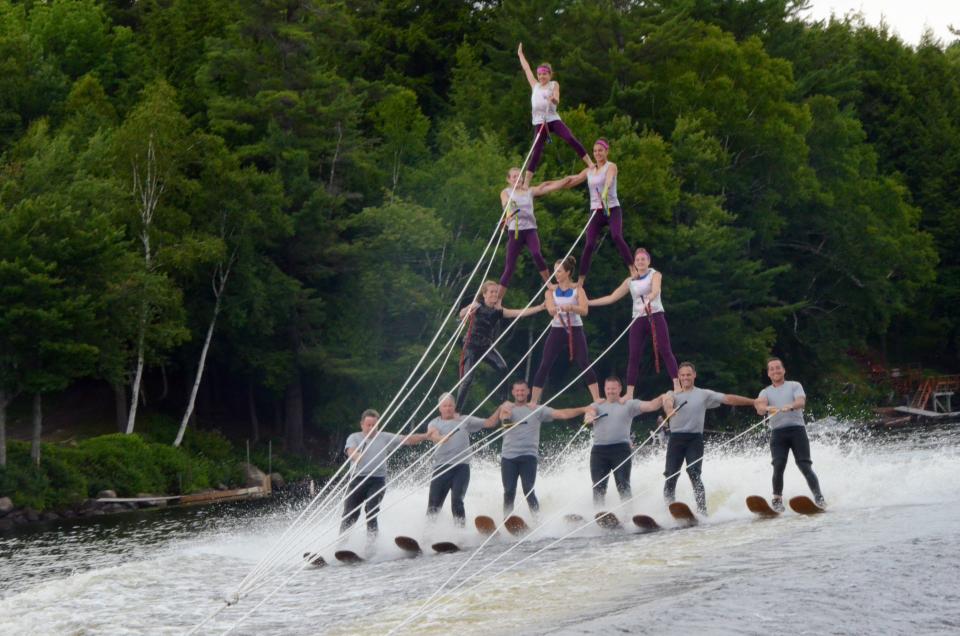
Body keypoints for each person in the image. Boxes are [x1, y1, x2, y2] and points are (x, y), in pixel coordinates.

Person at [661, 362, 756, 515]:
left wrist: (753, 402)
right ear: (678, 377)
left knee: (694, 473)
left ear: (694, 375)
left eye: (688, 374)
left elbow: (728, 399)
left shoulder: (703, 394)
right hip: (676, 439)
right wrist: (670, 409)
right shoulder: (672, 394)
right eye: (683, 375)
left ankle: (702, 512)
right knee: (671, 475)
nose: (685, 377)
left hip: (694, 439)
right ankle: (668, 511)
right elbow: (667, 402)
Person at [588, 247, 680, 394]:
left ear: (648, 261)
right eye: (637, 260)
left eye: (643, 259)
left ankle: (677, 384)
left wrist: (650, 297)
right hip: (638, 318)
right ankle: (630, 392)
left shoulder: (655, 274)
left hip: (655, 314)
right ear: (634, 263)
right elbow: (612, 297)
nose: (640, 262)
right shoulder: (629, 281)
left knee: (665, 349)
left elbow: (656, 289)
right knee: (634, 355)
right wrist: (588, 303)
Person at [497, 379, 595, 516]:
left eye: (522, 390)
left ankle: (537, 520)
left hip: (528, 456)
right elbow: (493, 421)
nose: (520, 393)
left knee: (528, 490)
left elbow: (562, 413)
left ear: (528, 391)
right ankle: (507, 520)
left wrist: (583, 409)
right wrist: (504, 414)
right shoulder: (506, 408)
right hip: (508, 457)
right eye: (517, 390)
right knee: (509, 491)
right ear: (513, 392)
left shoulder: (537, 410)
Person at [457, 280, 545, 412]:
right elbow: (462, 314)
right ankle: (457, 410)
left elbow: (520, 312)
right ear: (485, 294)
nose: (494, 294)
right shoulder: (477, 306)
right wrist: (469, 307)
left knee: (503, 368)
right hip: (471, 346)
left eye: (496, 292)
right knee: (468, 379)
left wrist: (540, 307)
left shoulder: (498, 311)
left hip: (486, 346)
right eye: (491, 292)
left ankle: (504, 403)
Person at [342, 409, 431, 537]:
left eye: (375, 425)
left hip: (377, 481)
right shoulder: (354, 437)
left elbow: (407, 439)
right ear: (362, 424)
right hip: (357, 479)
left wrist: (426, 436)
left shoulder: (384, 437)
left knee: (371, 511)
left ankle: (372, 546)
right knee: (350, 514)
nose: (372, 428)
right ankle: (341, 546)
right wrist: (356, 456)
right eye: (369, 425)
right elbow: (351, 450)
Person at [517, 43, 593, 187]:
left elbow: (557, 98)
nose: (541, 76)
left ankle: (590, 163)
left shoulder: (554, 85)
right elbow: (526, 68)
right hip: (539, 122)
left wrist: (554, 99)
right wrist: (520, 54)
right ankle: (526, 183)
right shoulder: (535, 85)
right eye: (539, 74)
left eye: (544, 74)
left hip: (552, 119)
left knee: (570, 138)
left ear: (550, 74)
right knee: (536, 152)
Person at [754, 357, 825, 512]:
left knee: (804, 465)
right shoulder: (765, 392)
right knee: (778, 465)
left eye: (778, 367)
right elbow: (760, 409)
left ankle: (819, 498)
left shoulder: (794, 385)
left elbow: (801, 402)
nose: (775, 371)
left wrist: (791, 406)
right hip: (778, 434)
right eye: (771, 369)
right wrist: (766, 408)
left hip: (797, 431)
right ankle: (777, 500)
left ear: (783, 370)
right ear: (768, 373)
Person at [531, 256, 600, 406]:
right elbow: (549, 309)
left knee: (583, 361)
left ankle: (597, 398)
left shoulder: (578, 290)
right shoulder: (550, 292)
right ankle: (533, 401)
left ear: (568, 272)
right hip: (557, 329)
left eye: (559, 271)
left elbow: (585, 310)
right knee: (545, 363)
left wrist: (572, 307)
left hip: (574, 328)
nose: (556, 274)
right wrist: (553, 309)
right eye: (555, 271)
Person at [562, 138, 633, 286]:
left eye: (600, 150)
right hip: (596, 211)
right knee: (589, 244)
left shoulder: (611, 166)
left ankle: (632, 268)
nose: (597, 153)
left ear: (607, 151)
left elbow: (609, 179)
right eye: (595, 151)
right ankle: (580, 280)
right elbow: (574, 181)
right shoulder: (590, 170)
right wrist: (560, 184)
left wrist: (606, 190)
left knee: (616, 236)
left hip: (611, 208)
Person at [425, 393, 502, 526]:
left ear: (454, 406)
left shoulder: (465, 420)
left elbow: (490, 423)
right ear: (439, 408)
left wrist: (501, 408)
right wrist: (440, 438)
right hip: (441, 468)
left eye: (450, 405)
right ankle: (427, 534)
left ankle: (460, 533)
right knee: (433, 505)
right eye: (445, 406)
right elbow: (433, 434)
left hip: (461, 468)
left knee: (457, 502)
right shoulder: (434, 422)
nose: (448, 408)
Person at [497, 167, 574, 298]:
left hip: (530, 230)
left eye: (519, 176)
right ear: (508, 179)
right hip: (515, 231)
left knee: (536, 253)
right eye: (514, 176)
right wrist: (508, 209)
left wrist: (566, 180)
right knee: (509, 267)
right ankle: (498, 299)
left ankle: (548, 284)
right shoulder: (506, 192)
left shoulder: (529, 191)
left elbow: (548, 188)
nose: (518, 178)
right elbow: (505, 204)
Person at [588, 376, 664, 506]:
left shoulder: (629, 404)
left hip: (621, 450)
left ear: (620, 389)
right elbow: (589, 413)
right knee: (598, 487)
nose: (610, 391)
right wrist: (589, 417)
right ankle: (598, 514)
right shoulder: (597, 405)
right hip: (599, 452)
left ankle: (628, 515)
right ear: (604, 389)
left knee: (623, 484)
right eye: (608, 389)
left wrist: (663, 397)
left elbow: (651, 405)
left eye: (613, 389)